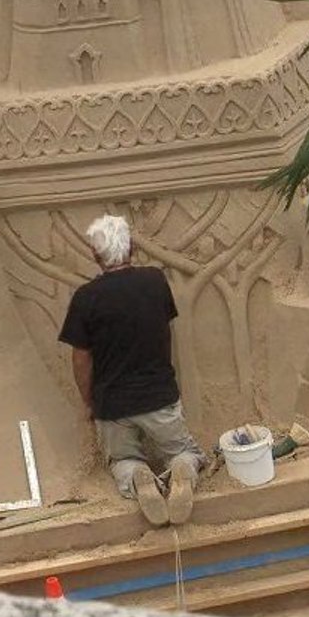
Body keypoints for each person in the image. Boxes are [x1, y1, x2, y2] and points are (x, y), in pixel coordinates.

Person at [59, 214, 208, 526]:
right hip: (159, 398)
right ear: (130, 249)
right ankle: (182, 468)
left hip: (113, 405)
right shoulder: (155, 281)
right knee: (185, 451)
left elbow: (80, 359)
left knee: (122, 458)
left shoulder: (86, 299)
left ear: (96, 255)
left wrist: (89, 401)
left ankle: (137, 476)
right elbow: (163, 328)